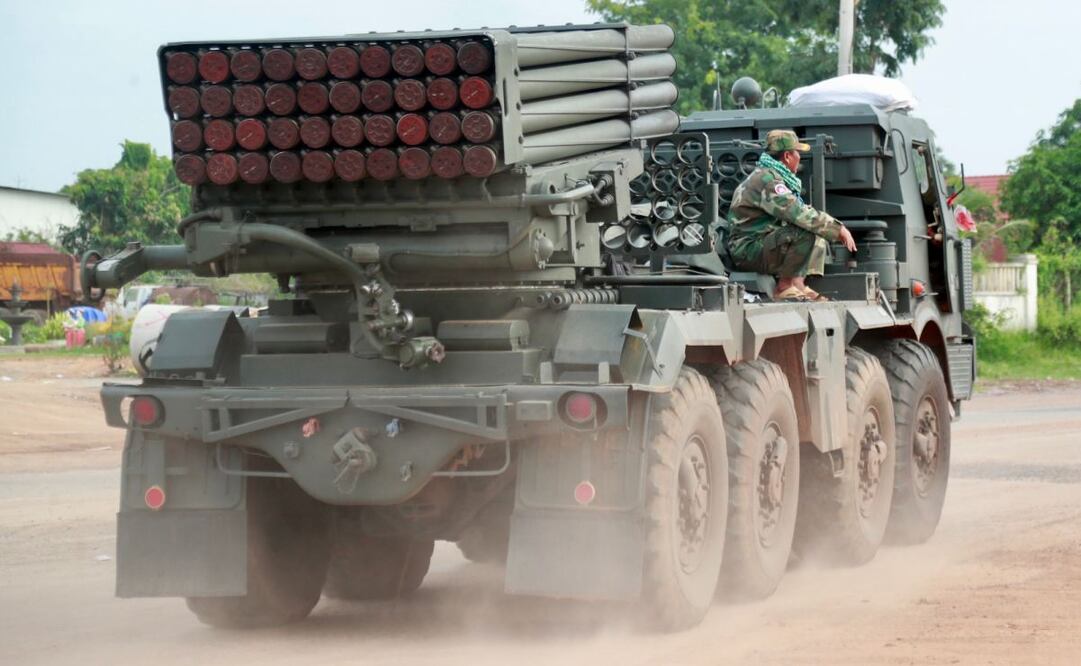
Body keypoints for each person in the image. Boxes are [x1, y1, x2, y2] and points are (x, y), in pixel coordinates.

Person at [727, 129, 857, 301]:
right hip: (747, 250)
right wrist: (838, 229)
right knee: (805, 228)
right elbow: (797, 213)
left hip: (758, 244)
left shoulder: (771, 175)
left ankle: (798, 284)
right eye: (798, 153)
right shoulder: (767, 180)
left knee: (815, 229)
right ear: (787, 156)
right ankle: (785, 287)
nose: (799, 158)